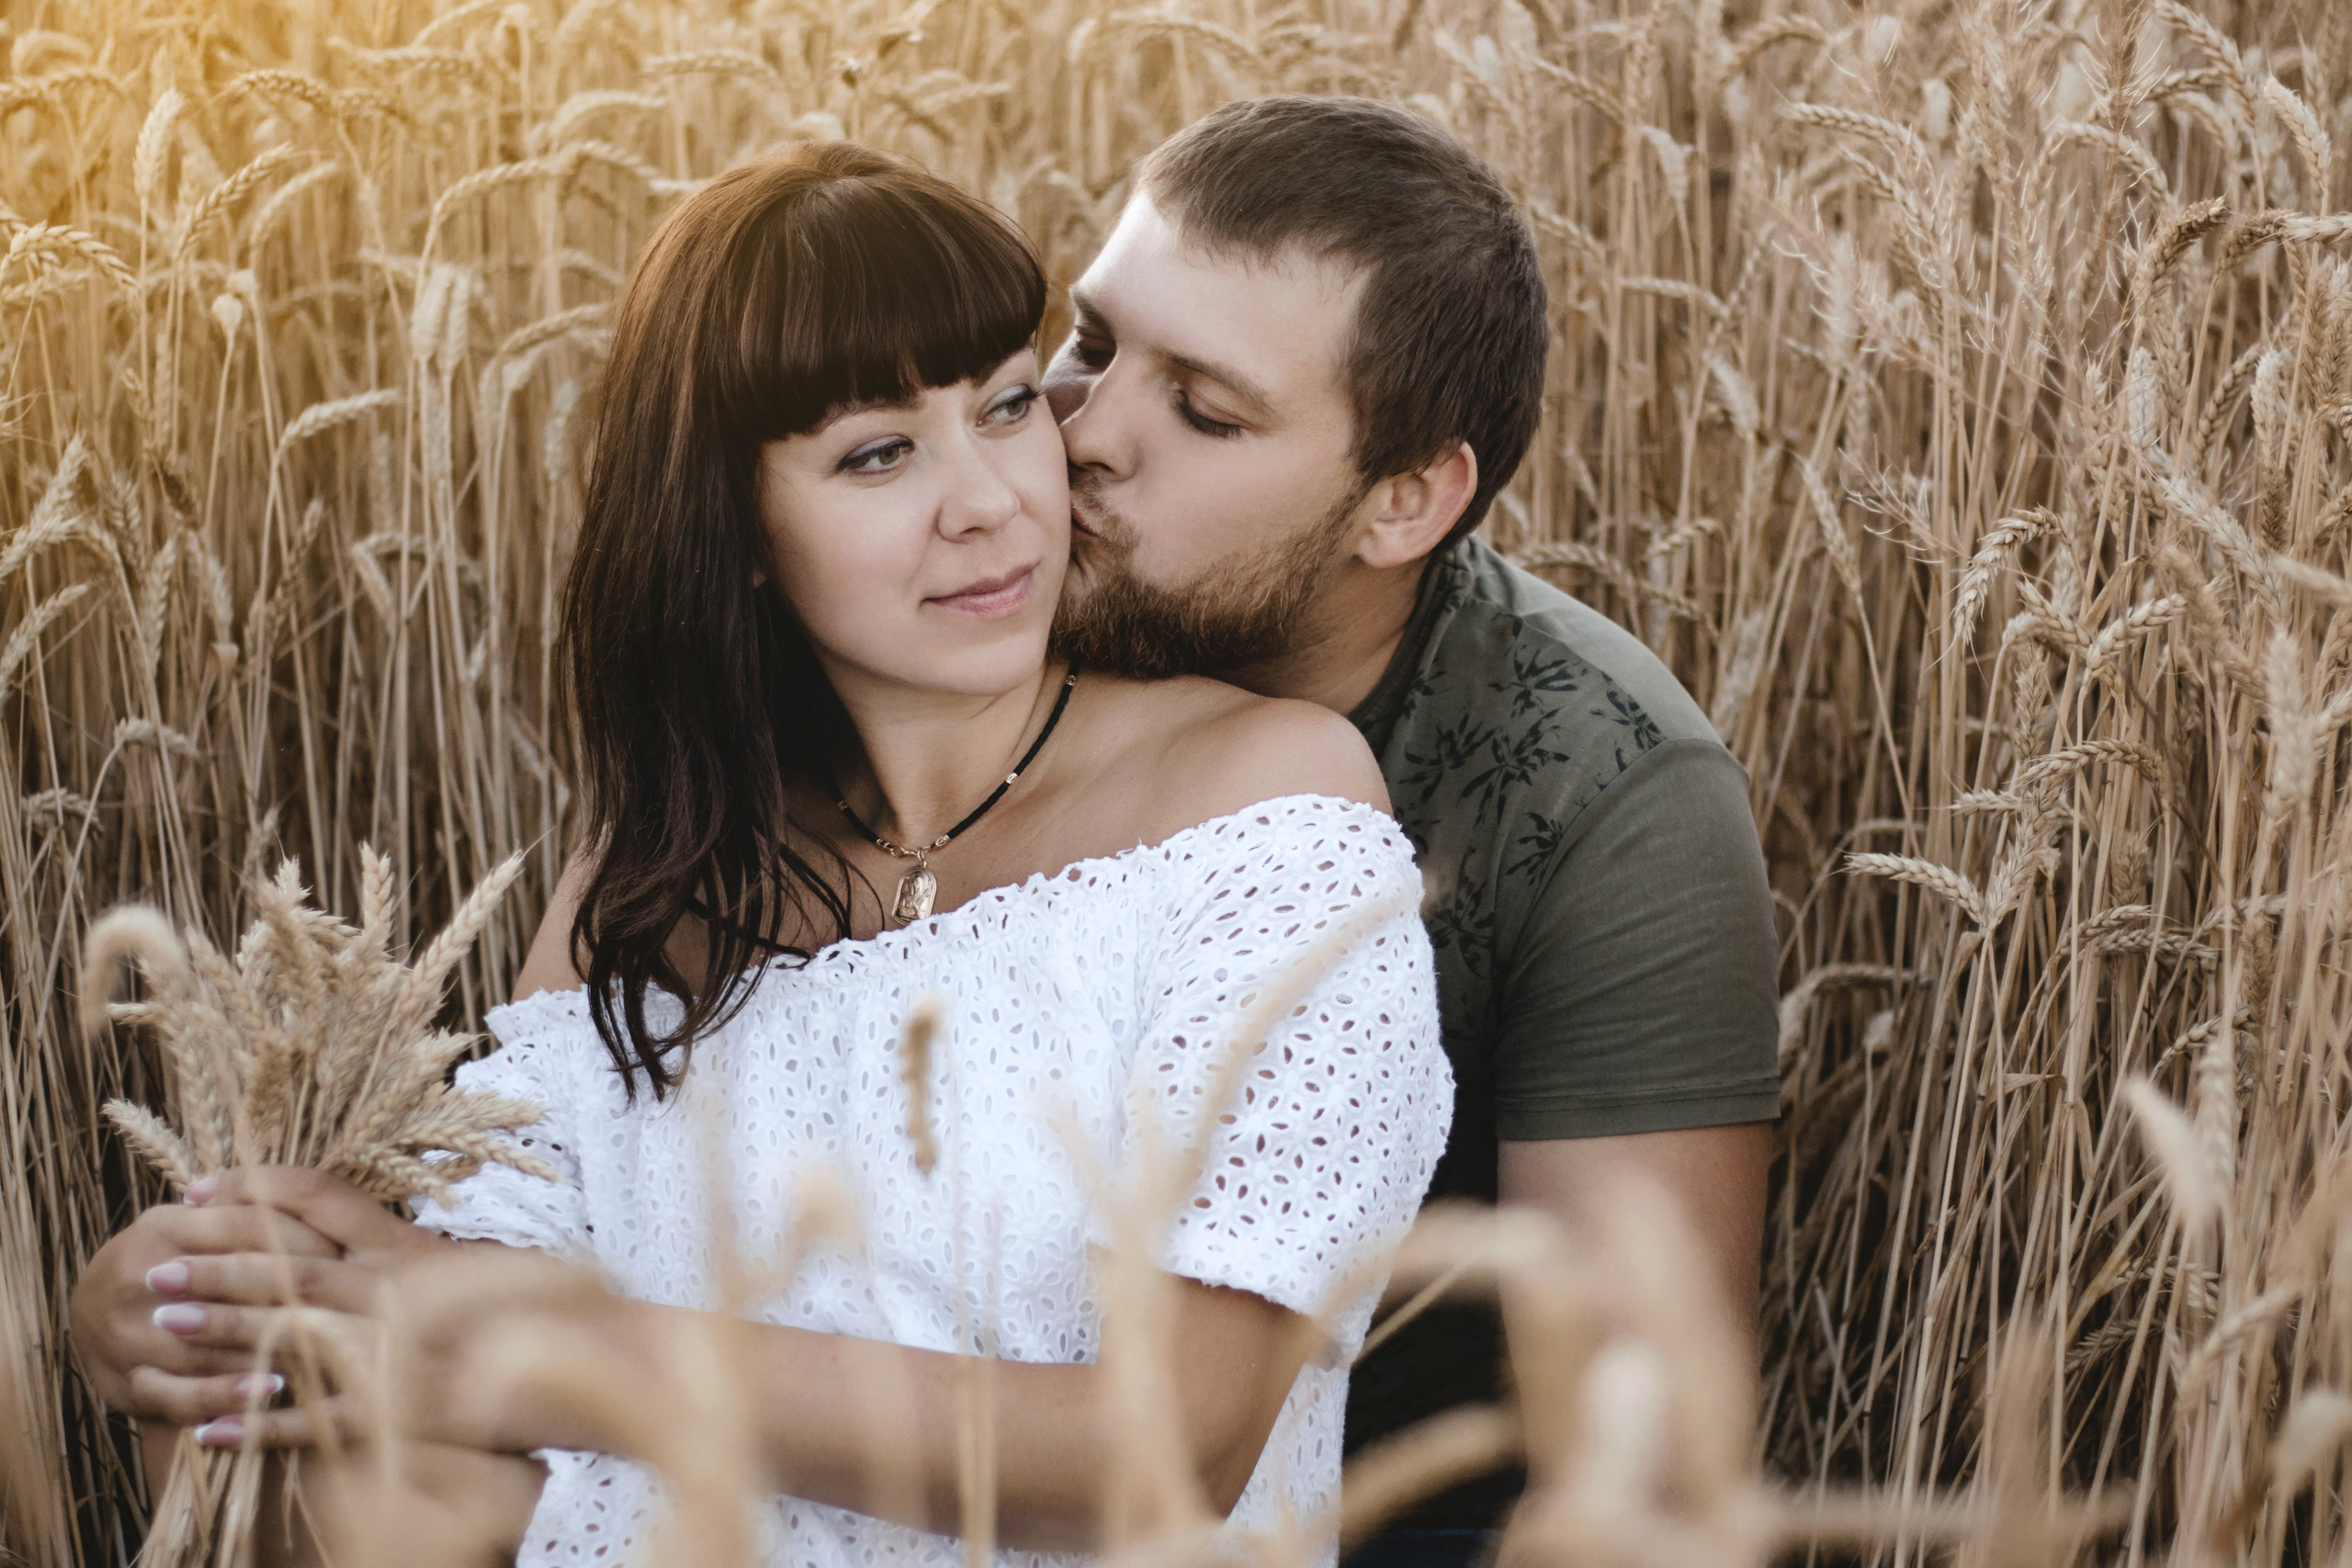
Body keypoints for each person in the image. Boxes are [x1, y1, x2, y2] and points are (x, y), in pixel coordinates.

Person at [66, 141, 1453, 1567]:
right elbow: (443, 1344)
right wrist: (192, 1312)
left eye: (1004, 404)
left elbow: (1160, 1460)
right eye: (877, 454)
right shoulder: (650, 874)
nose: (988, 501)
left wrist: (554, 1348)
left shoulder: (1262, 802)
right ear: (734, 523)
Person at [1040, 96, 1781, 1565]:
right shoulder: (950, 602)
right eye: (1091, 341)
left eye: (1206, 410)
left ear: (1404, 502)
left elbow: (1637, 1461)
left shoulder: (1598, 788)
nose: (1086, 437)